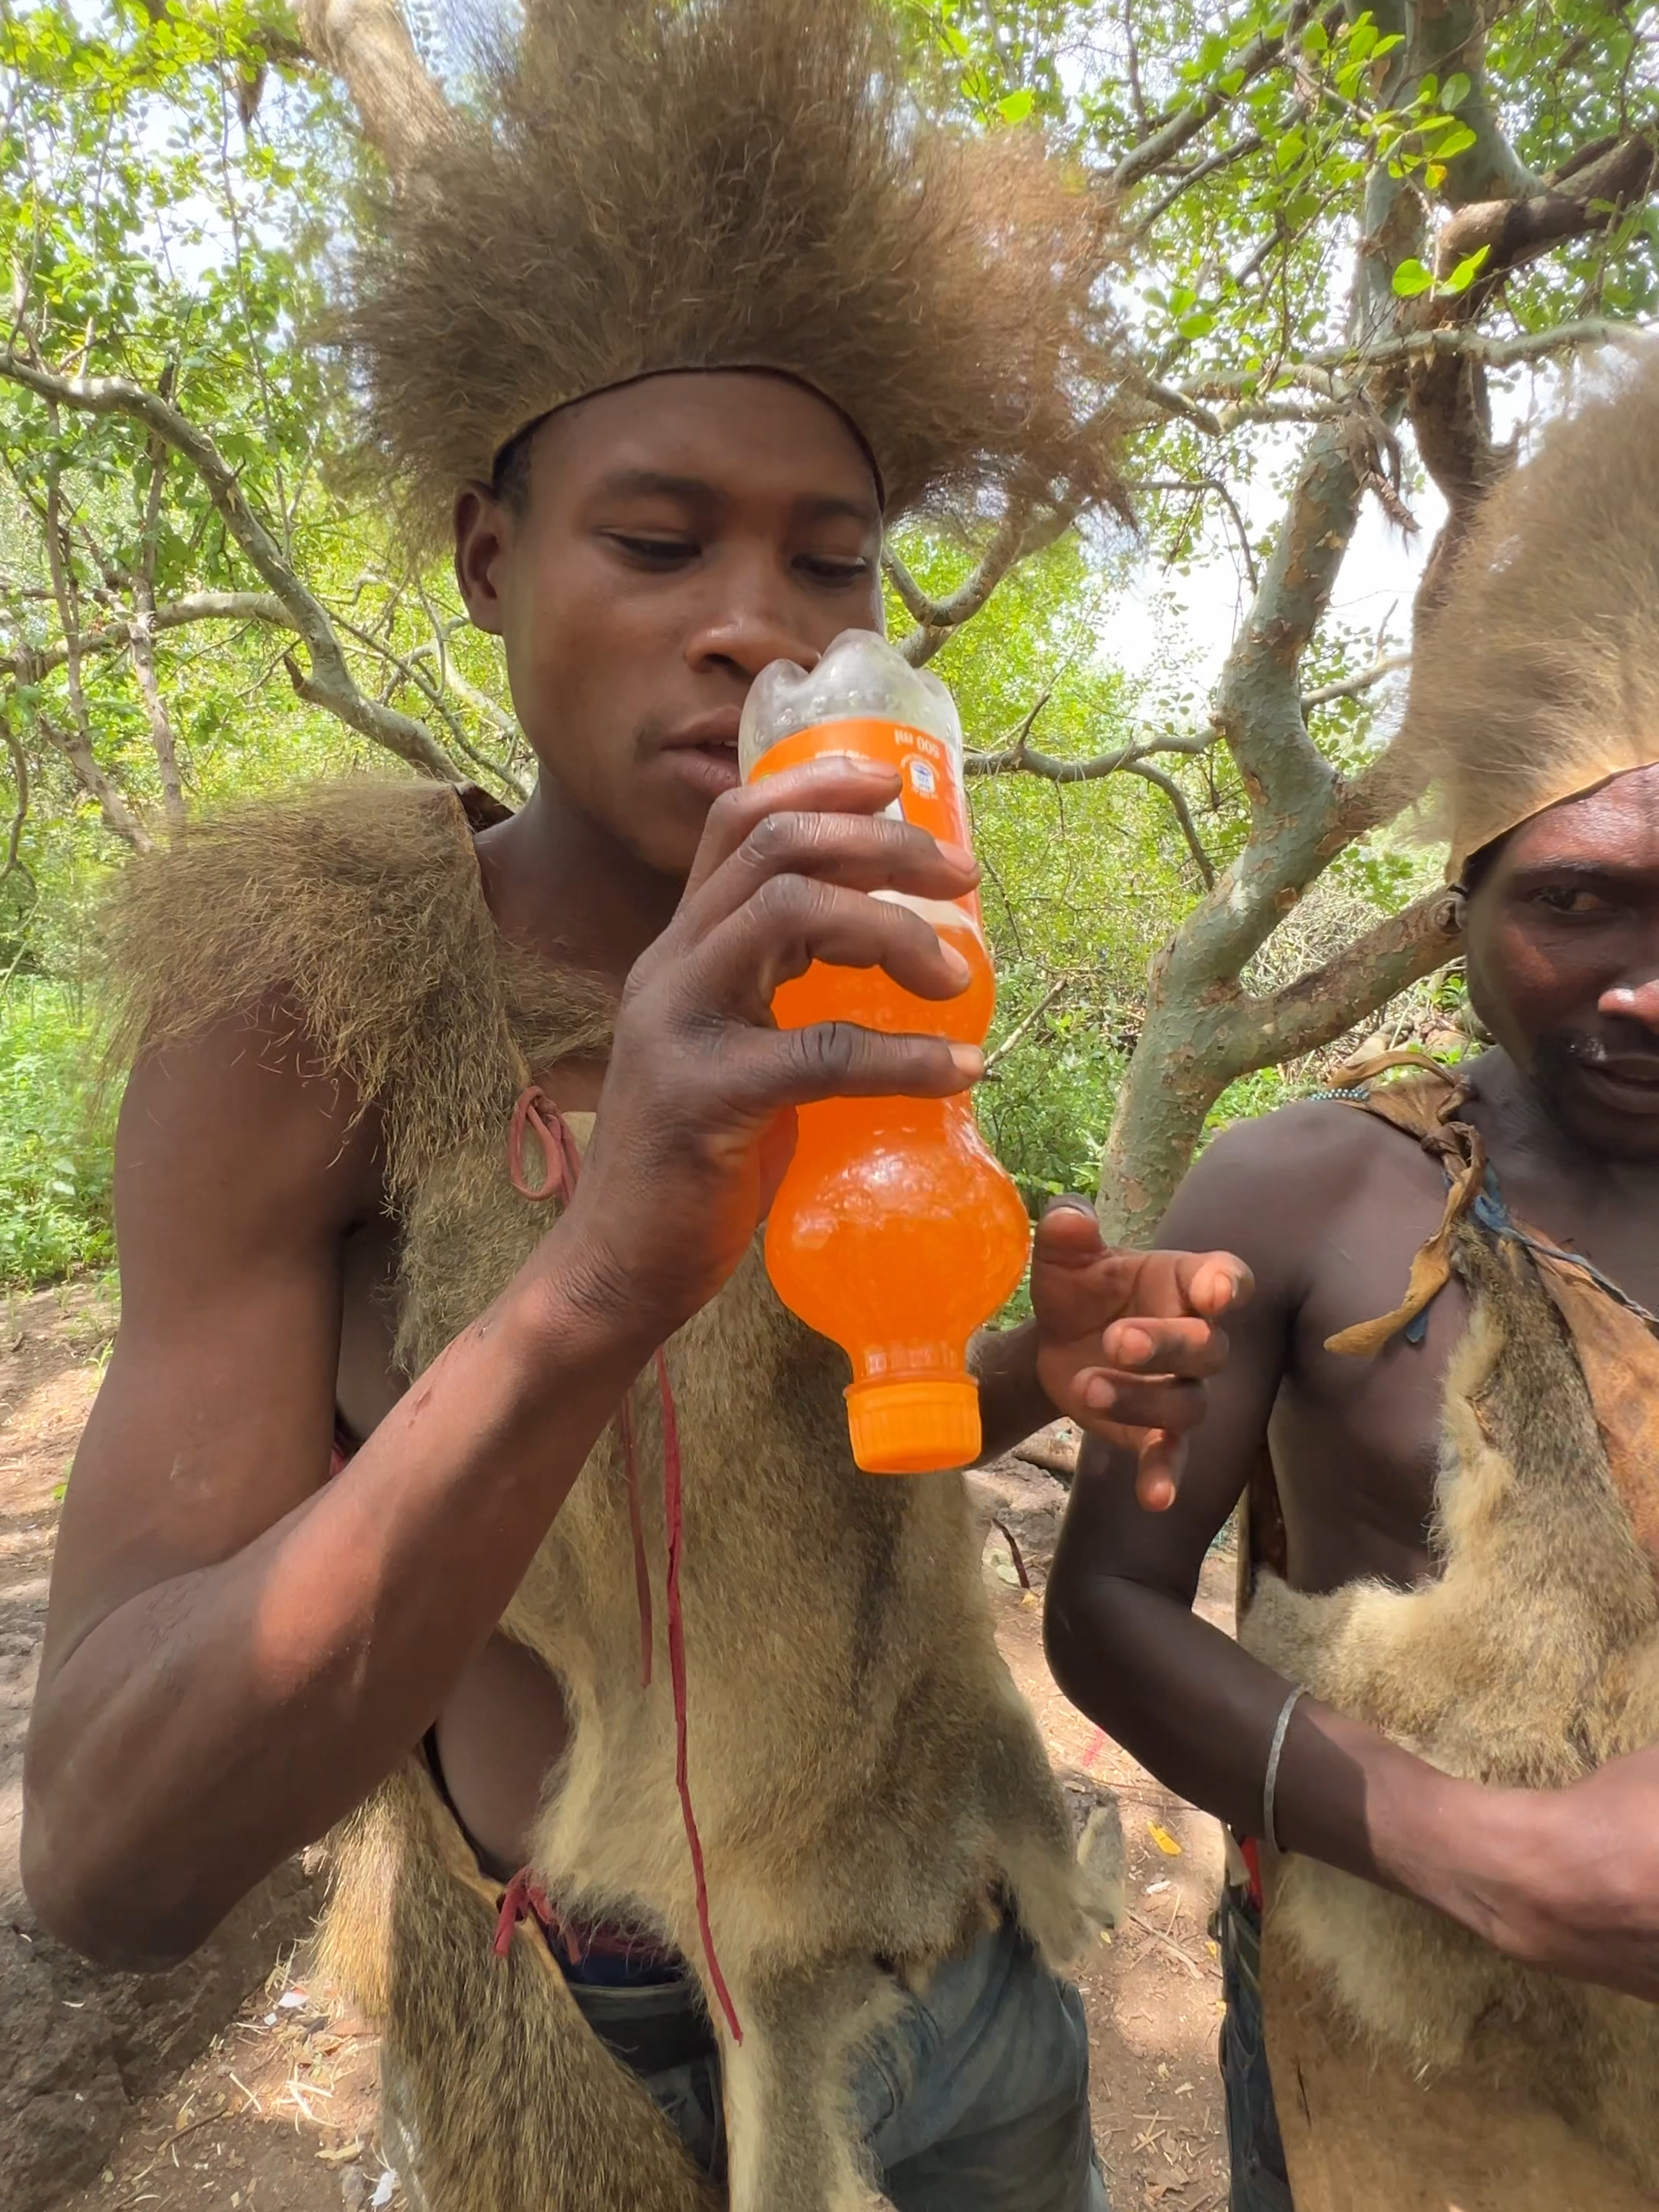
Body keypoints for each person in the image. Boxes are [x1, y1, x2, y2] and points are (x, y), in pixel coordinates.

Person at [21, 5, 1246, 2210]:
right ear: (491, 558)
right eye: (660, 544)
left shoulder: (880, 949)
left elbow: (794, 1454)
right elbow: (110, 1856)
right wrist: (600, 1264)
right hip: (600, 2048)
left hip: (957, 1966)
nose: (753, 630)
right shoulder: (311, 1000)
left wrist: (1009, 1375)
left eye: (831, 563)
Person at [1046, 345, 1659, 2212]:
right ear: (1456, 914)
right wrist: (1465, 1848)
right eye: (1574, 904)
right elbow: (1111, 1608)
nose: (1647, 991)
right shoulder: (1311, 1190)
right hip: (1392, 2049)